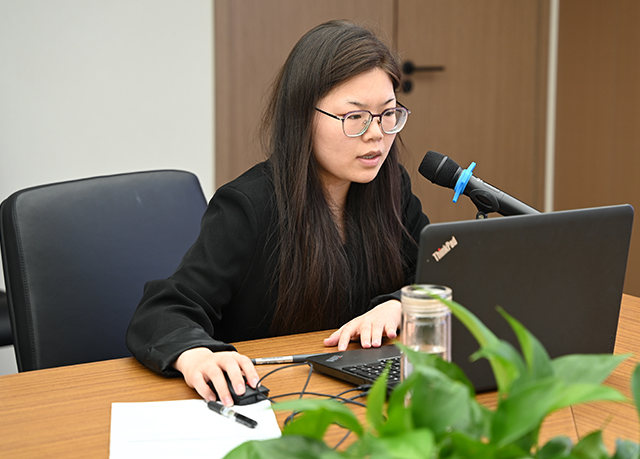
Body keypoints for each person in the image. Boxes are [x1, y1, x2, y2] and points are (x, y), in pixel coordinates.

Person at [126, 20, 429, 407]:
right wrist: (197, 354)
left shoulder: (391, 185)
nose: (376, 134)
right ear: (303, 117)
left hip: (363, 394)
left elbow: (436, 274)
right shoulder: (248, 206)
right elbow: (165, 310)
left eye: (388, 113)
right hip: (278, 396)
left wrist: (399, 303)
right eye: (355, 118)